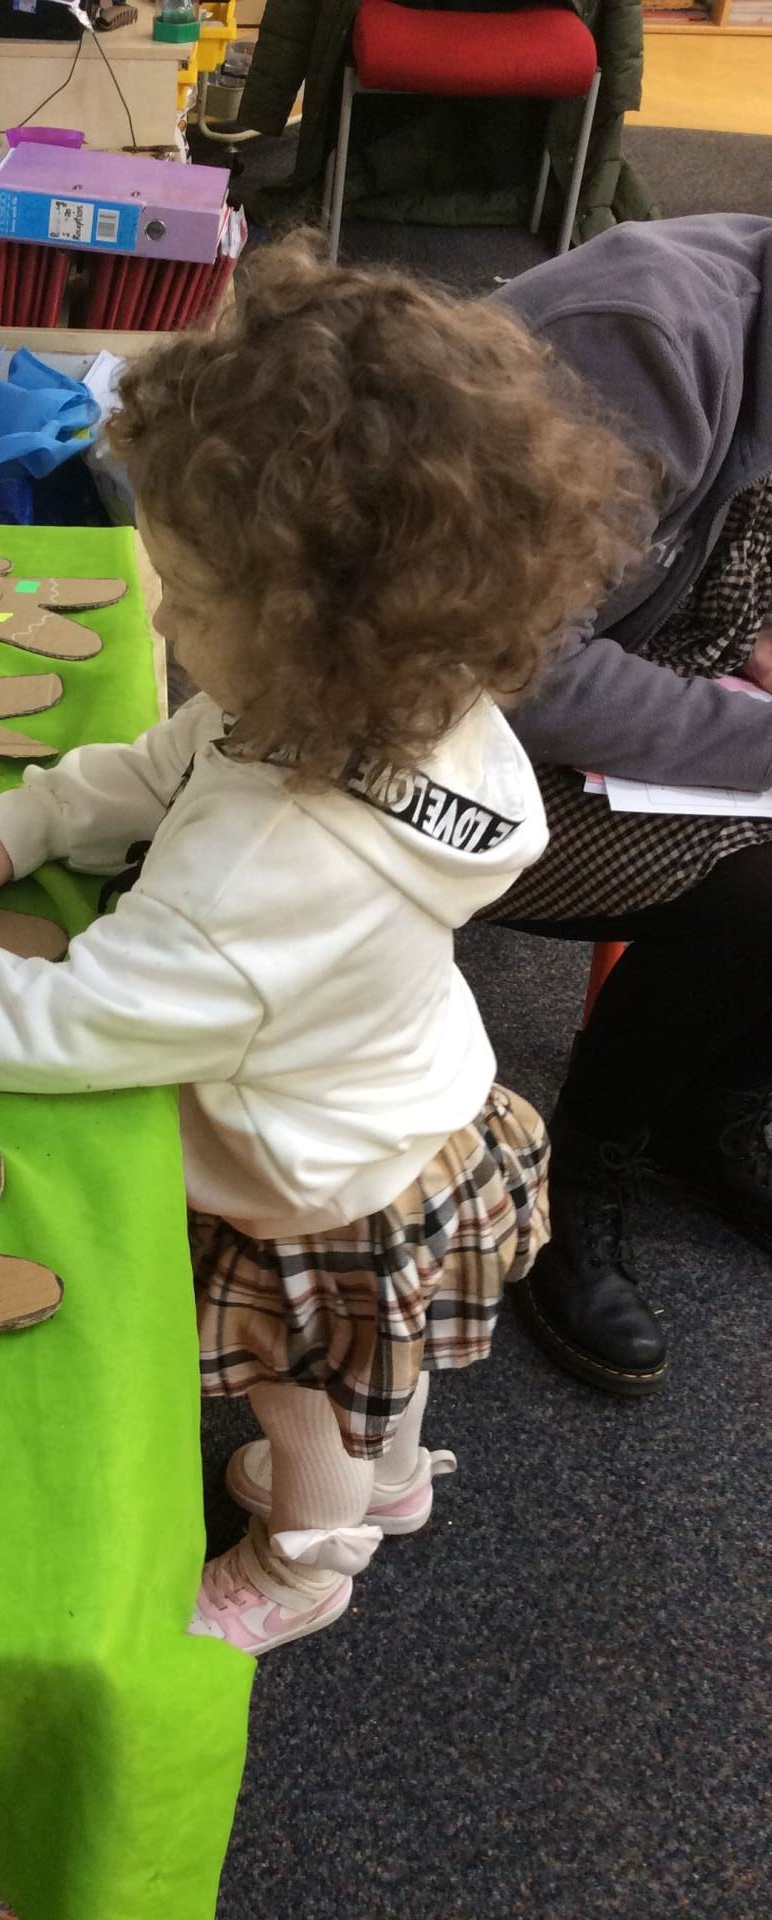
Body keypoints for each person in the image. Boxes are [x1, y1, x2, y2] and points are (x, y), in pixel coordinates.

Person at [0, 239, 648, 1655]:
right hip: (405, 1093)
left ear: (314, 636)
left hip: (308, 1176)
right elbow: (175, 759)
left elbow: (70, 1023)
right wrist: (21, 820)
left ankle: (308, 1558)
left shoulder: (262, 877)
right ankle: (390, 1478)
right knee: (375, 1369)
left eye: (192, 601)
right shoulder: (404, 690)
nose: (158, 617)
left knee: (300, 1385)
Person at [489, 215, 772, 1397]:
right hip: (418, 728)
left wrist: (754, 645)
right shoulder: (642, 343)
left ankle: (713, 1109)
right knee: (760, 889)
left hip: (618, 677)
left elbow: (713, 560)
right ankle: (579, 1169)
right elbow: (521, 670)